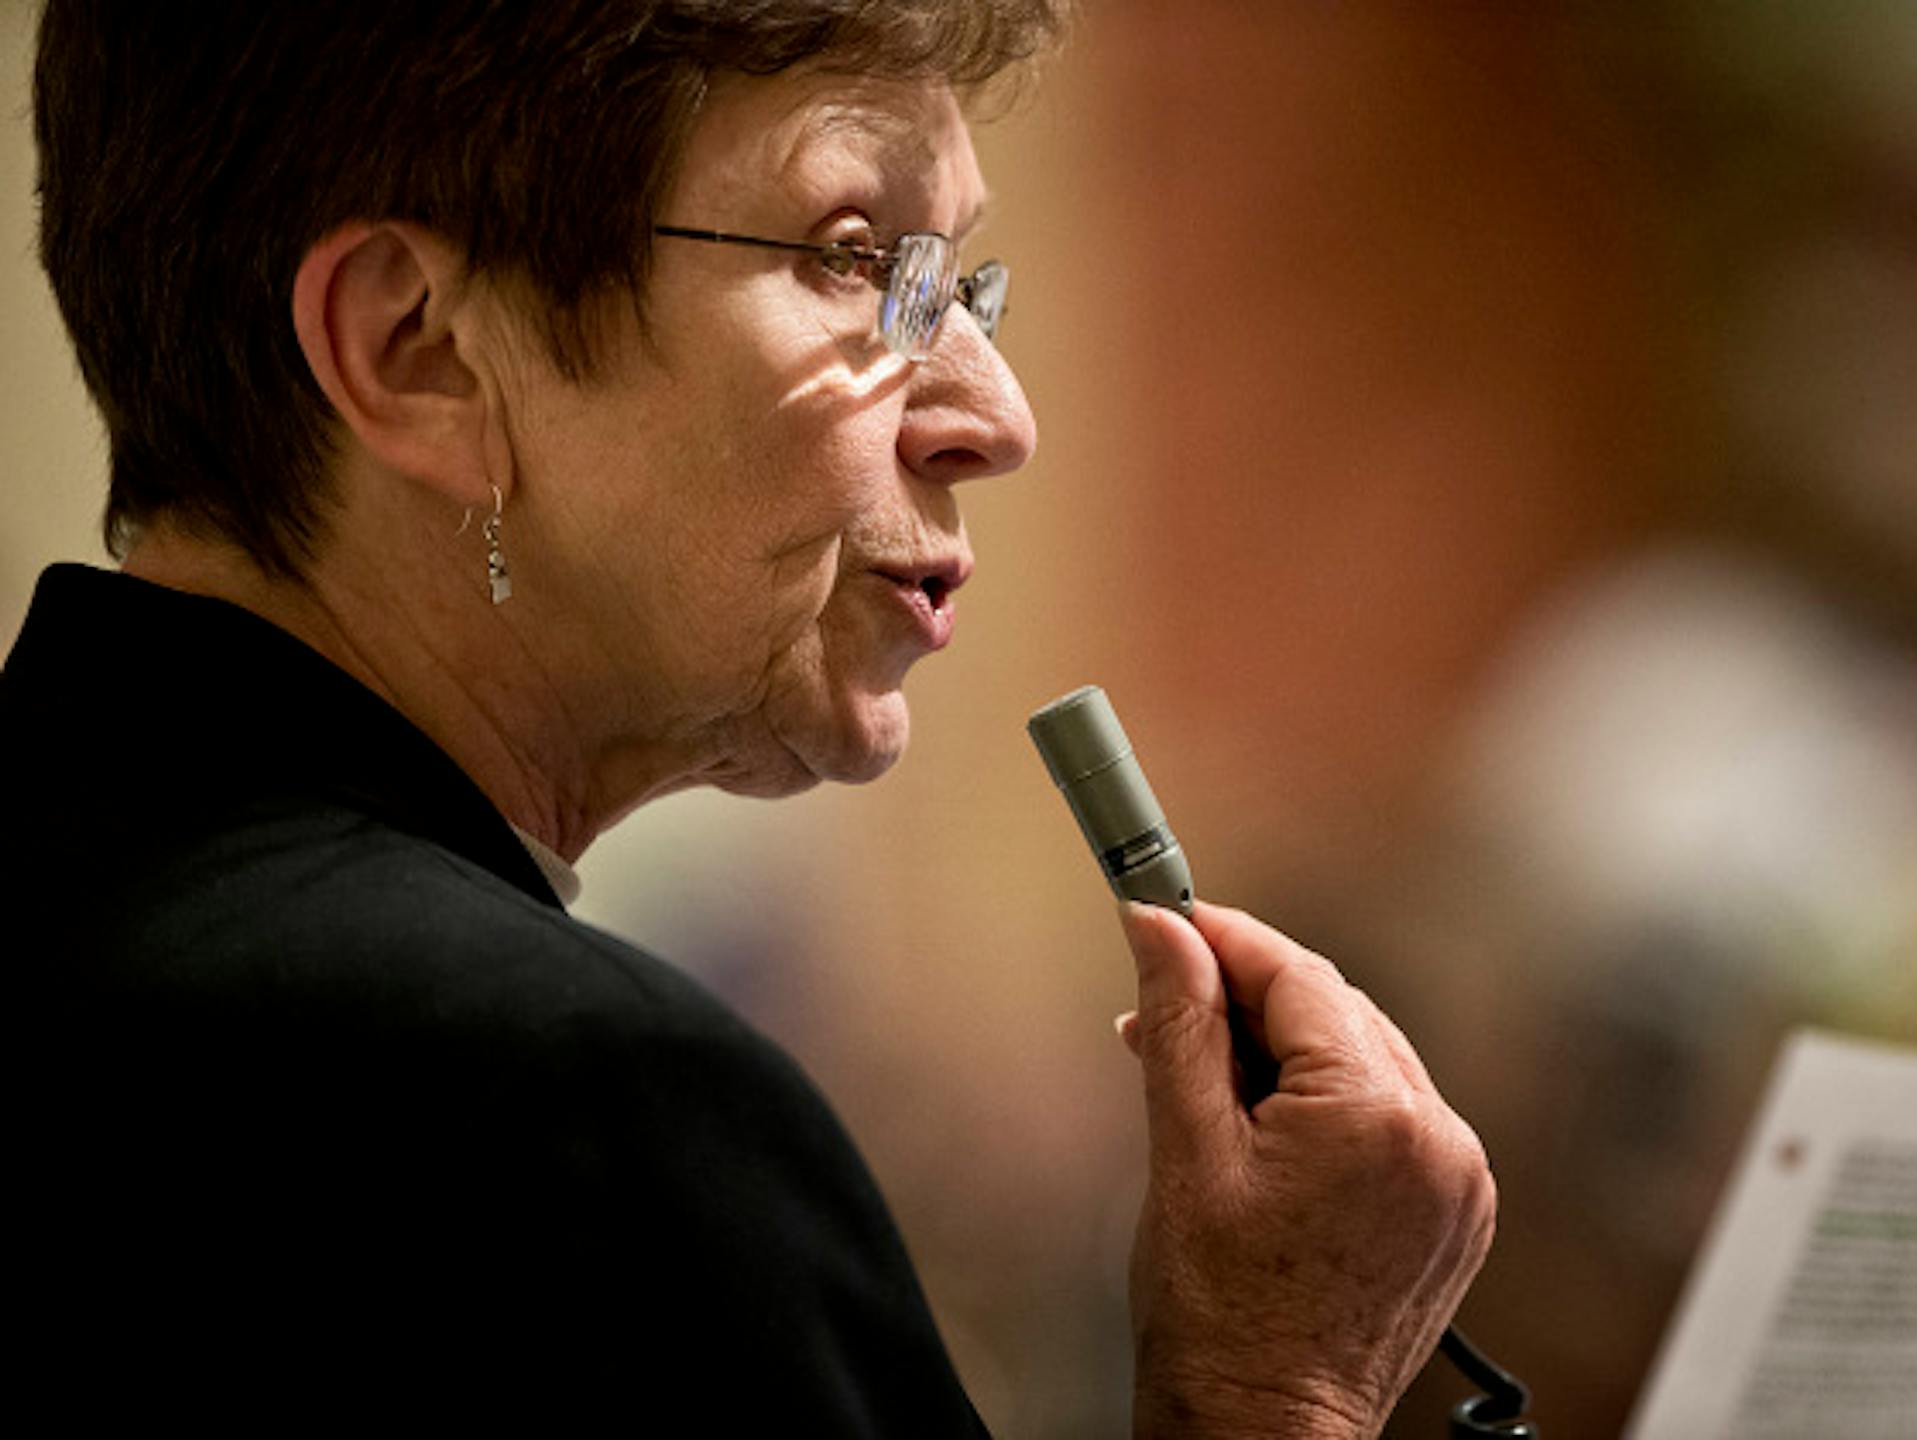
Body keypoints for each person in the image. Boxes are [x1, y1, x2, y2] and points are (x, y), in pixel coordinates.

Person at [6, 2, 1495, 1433]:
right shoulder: (573, 1115)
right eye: (854, 261)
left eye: (959, 277)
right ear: (423, 352)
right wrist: (1271, 1397)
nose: (996, 414)